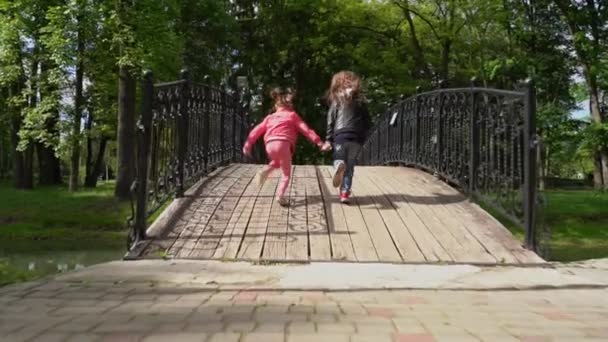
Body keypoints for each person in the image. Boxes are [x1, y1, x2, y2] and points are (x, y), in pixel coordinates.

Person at [243, 87, 328, 206]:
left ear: (276, 106)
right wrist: (319, 142)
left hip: (269, 145)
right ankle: (280, 195)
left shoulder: (269, 117)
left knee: (278, 162)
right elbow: (306, 130)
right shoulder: (292, 115)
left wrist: (248, 145)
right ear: (289, 105)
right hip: (283, 144)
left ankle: (265, 171)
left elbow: (256, 131)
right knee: (286, 173)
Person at [321, 71, 371, 204]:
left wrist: (328, 139)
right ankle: (344, 193)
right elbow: (367, 122)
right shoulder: (361, 101)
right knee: (350, 167)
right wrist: (364, 139)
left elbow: (331, 120)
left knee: (339, 157)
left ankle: (339, 164)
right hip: (356, 138)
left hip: (340, 136)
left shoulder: (337, 100)